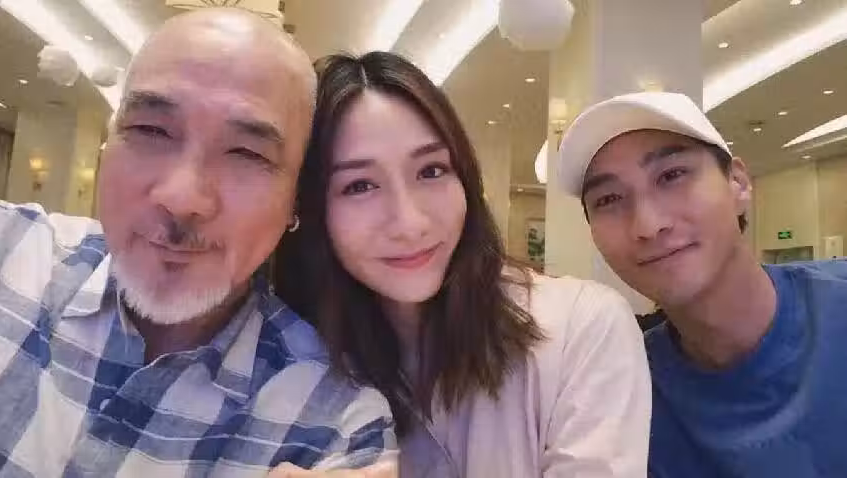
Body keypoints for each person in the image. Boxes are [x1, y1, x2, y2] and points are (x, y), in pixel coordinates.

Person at [0, 8, 398, 476]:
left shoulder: (337, 428)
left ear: (297, 201)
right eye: (150, 130)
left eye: (246, 153)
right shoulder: (11, 248)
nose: (182, 198)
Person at [274, 51, 651, 478]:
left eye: (431, 171)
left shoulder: (582, 327)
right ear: (308, 208)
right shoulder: (290, 359)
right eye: (359, 185)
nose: (410, 223)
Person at [557, 91, 847, 477]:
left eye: (671, 176)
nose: (648, 225)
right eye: (609, 199)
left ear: (738, 184)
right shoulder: (621, 387)